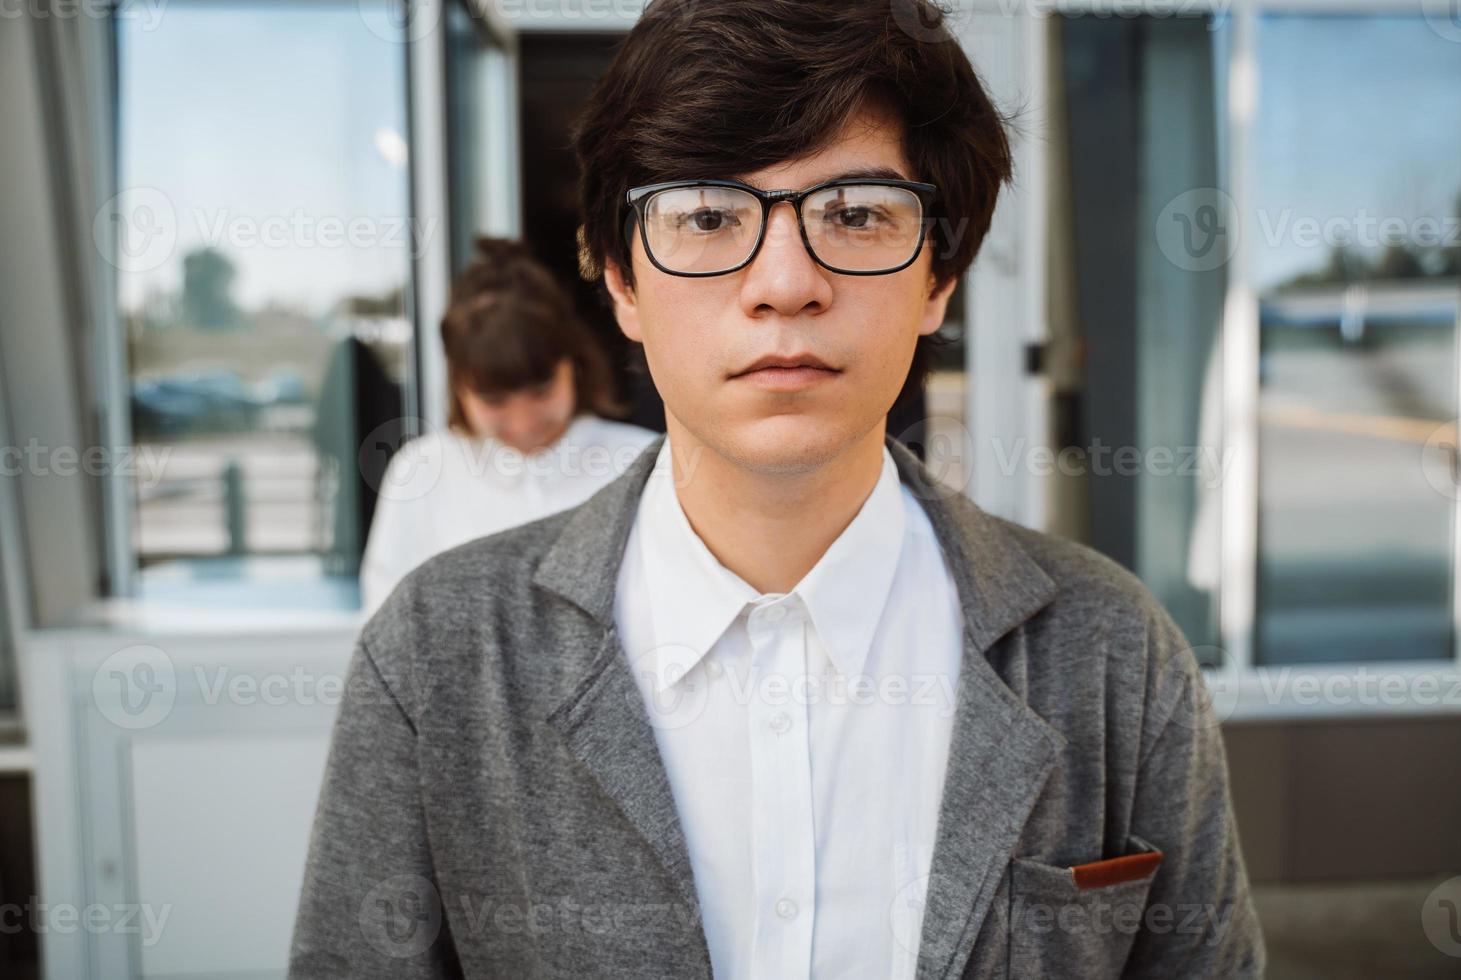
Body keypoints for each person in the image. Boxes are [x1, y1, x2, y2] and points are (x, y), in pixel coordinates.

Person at [291, 2, 1266, 977]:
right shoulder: (434, 656)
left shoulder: (1115, 653)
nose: (786, 282)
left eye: (856, 212)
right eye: (710, 216)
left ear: (939, 276)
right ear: (623, 280)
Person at [358, 235, 656, 616]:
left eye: (542, 390)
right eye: (495, 401)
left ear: (575, 364)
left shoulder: (642, 462)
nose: (524, 421)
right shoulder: (422, 471)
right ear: (458, 387)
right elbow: (386, 619)